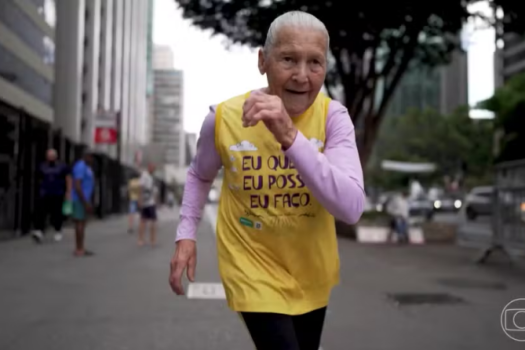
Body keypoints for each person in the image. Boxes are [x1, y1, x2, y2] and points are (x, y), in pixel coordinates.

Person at [169, 11, 365, 350]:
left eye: (315, 62)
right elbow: (200, 175)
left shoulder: (334, 118)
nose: (302, 76)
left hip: (311, 268)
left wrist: (290, 136)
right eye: (288, 59)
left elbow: (350, 209)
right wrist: (186, 234)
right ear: (263, 60)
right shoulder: (223, 119)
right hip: (251, 265)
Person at [32, 149, 72, 243]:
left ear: (56, 156)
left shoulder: (62, 166)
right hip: (45, 192)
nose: (51, 157)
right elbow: (38, 178)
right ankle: (39, 231)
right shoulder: (42, 166)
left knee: (57, 213)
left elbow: (68, 178)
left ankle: (58, 230)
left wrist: (68, 192)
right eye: (49, 156)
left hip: (58, 193)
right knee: (41, 212)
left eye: (52, 156)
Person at [71, 150, 95, 256]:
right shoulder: (80, 166)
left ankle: (81, 247)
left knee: (82, 222)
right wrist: (84, 201)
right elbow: (77, 185)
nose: (92, 160)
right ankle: (79, 248)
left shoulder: (87, 167)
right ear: (86, 156)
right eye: (90, 157)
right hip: (80, 199)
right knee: (79, 222)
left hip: (85, 198)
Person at [138, 163, 158, 246]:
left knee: (153, 221)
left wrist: (156, 200)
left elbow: (155, 190)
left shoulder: (152, 177)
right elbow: (141, 188)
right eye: (152, 168)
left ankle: (152, 240)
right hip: (146, 201)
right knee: (143, 220)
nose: (153, 169)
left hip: (151, 202)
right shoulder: (144, 175)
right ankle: (141, 239)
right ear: (149, 167)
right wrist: (140, 199)